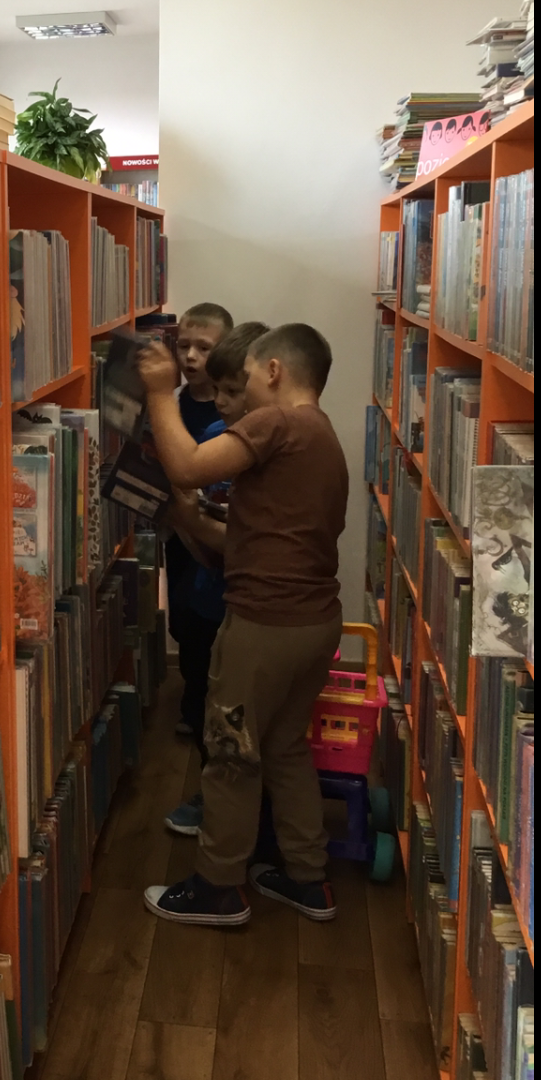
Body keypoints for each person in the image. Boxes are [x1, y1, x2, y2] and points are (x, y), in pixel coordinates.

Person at [134, 323, 350, 926]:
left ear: (274, 371)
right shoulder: (322, 434)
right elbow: (257, 541)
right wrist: (190, 521)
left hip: (263, 626)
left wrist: (160, 390)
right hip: (314, 622)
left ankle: (218, 886)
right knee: (284, 746)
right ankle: (307, 877)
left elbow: (188, 465)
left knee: (231, 755)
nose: (244, 391)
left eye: (249, 377)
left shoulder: (277, 422)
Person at [163, 320, 267, 838]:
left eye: (233, 391)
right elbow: (197, 531)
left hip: (249, 606)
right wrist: (183, 521)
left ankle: (232, 814)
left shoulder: (266, 450)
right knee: (210, 700)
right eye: (219, 391)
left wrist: (186, 516)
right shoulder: (211, 441)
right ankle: (216, 796)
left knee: (240, 715)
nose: (222, 401)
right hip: (210, 594)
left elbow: (241, 540)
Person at [163, 303, 232, 742]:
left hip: (217, 534)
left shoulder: (232, 410)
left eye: (203, 348)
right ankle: (193, 698)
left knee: (211, 619)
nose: (190, 357)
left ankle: (206, 705)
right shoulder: (171, 404)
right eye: (183, 345)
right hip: (179, 534)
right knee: (183, 617)